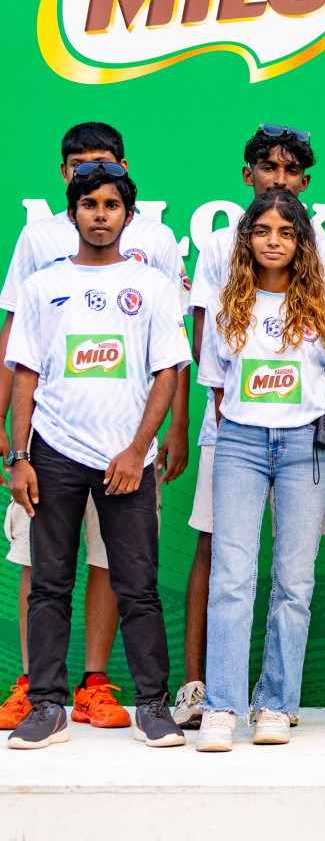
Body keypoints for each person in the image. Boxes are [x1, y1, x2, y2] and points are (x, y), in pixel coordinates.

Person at [0, 123, 191, 733]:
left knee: (138, 587)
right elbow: (25, 375)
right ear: (73, 211)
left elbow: (166, 372)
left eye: (112, 206)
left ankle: (153, 706)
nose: (101, 215)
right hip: (52, 454)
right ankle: (48, 706)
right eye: (90, 205)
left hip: (124, 460)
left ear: (128, 216)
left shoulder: (153, 284)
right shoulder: (43, 285)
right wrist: (19, 456)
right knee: (49, 586)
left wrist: (140, 449)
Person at [178, 124, 325, 730]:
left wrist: (309, 426)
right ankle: (220, 704)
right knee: (230, 573)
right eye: (266, 167)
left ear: (305, 183)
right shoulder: (225, 268)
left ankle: (276, 703)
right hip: (236, 442)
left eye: (290, 170)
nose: (278, 179)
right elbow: (215, 372)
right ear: (248, 174)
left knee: (294, 580)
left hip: (306, 443)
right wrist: (238, 429)